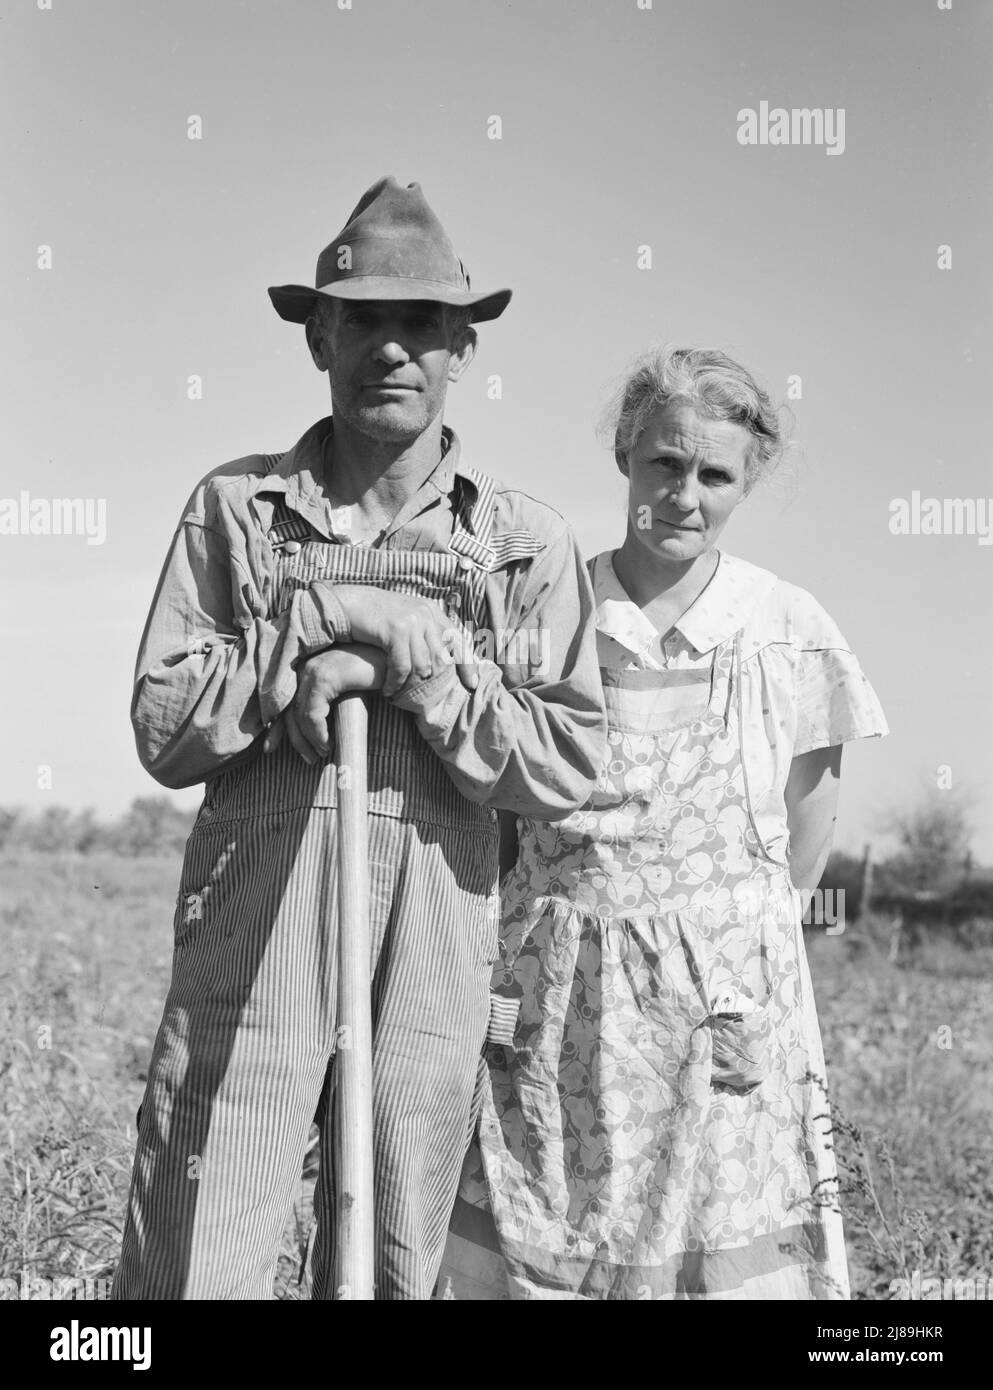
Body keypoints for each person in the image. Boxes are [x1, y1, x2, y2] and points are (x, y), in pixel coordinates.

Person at [111, 176, 606, 1301]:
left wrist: (417, 665)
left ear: (462, 346)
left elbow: (567, 761)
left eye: (422, 325)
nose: (393, 349)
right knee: (207, 1216)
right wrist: (326, 616)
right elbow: (166, 724)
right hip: (258, 907)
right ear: (319, 334)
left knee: (396, 1232)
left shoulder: (522, 541)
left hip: (437, 916)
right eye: (366, 321)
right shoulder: (238, 508)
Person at [440, 345, 889, 1300]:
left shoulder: (781, 623)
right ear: (625, 457)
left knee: (714, 1246)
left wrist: (731, 937)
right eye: (664, 463)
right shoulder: (550, 607)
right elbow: (503, 802)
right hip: (554, 979)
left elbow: (809, 814)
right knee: (542, 1222)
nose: (685, 493)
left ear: (745, 481)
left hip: (719, 997)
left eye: (713, 474)